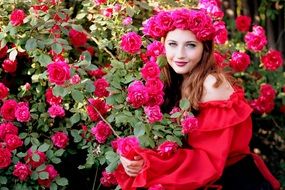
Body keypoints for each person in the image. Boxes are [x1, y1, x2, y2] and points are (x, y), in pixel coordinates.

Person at [114, 8, 280, 190]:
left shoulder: (211, 84)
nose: (179, 54)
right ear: (162, 44)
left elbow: (207, 162)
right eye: (172, 44)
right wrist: (135, 157)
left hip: (231, 180)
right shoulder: (174, 78)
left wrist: (149, 163)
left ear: (205, 48)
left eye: (191, 45)